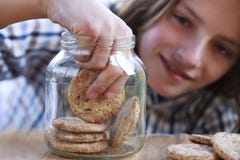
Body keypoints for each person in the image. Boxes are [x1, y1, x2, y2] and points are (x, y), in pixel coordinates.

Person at [0, 0, 240, 135]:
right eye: (183, 20)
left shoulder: (213, 115)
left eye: (223, 49)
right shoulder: (72, 40)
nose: (191, 58)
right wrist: (46, 3)